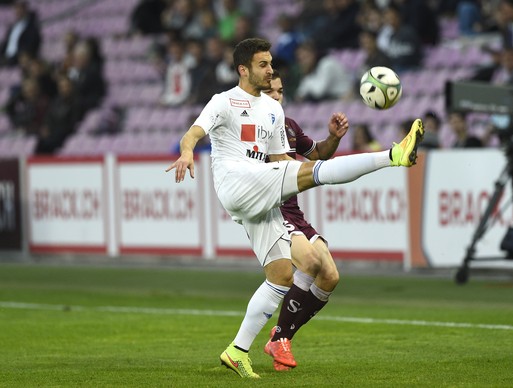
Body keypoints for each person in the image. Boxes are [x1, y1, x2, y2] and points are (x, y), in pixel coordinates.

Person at [165, 38, 424, 379]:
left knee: (282, 276)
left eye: (271, 63)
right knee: (313, 174)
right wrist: (186, 152)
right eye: (262, 64)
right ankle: (392, 156)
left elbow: (279, 159)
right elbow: (194, 133)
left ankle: (237, 350)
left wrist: (315, 156)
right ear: (243, 70)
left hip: (261, 191)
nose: (270, 69)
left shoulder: (274, 112)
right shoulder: (223, 101)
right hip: (236, 182)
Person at [262, 70, 345, 371]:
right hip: (270, 212)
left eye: (280, 92)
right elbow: (286, 167)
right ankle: (280, 339)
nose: (276, 97)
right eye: (269, 92)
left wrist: (332, 139)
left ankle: (282, 336)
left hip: (294, 213)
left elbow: (318, 154)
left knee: (330, 277)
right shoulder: (254, 130)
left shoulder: (290, 126)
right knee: (309, 261)